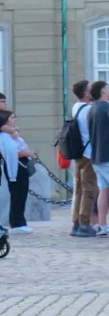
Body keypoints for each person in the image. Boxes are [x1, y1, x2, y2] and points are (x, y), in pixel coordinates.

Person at [0, 111, 34, 233]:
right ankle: (17, 223)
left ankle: (20, 222)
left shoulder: (13, 135)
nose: (15, 120)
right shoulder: (3, 136)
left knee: (22, 194)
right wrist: (24, 153)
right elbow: (10, 153)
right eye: (12, 118)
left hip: (21, 166)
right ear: (6, 121)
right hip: (15, 167)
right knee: (17, 195)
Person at [69, 81, 97, 237]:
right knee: (89, 189)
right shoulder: (88, 109)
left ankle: (76, 222)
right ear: (86, 93)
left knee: (79, 189)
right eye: (90, 90)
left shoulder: (76, 107)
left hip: (79, 153)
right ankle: (84, 223)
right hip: (89, 154)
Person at [90, 80, 109, 236]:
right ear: (103, 91)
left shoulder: (92, 108)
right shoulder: (106, 108)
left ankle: (103, 225)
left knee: (104, 191)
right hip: (107, 155)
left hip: (96, 156)